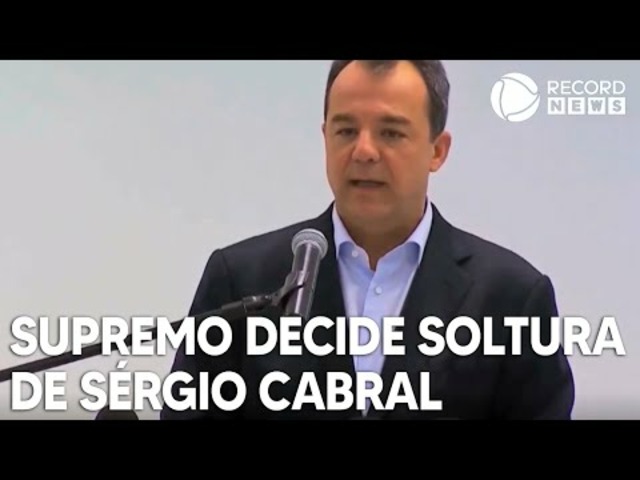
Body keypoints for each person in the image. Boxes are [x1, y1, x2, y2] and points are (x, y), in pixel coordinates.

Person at [160, 60, 575, 420]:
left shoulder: (512, 298)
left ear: (437, 151)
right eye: (345, 131)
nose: (364, 151)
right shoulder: (242, 280)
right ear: (325, 137)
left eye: (390, 133)